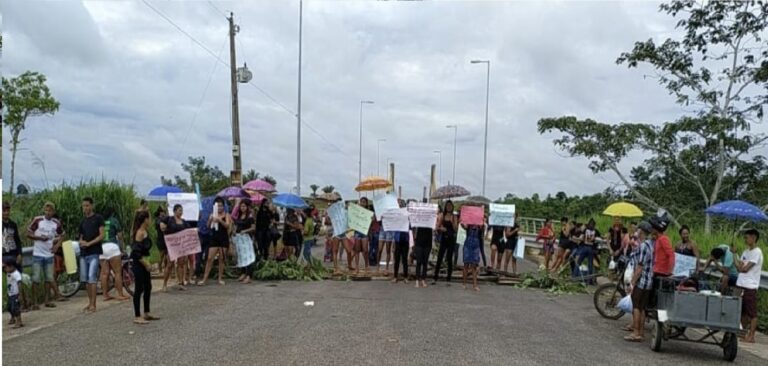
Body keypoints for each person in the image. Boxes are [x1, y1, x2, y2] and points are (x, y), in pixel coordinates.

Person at [27, 202, 65, 309]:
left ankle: (47, 300)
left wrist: (57, 245)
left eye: (50, 211)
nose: (48, 213)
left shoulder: (55, 223)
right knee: (36, 278)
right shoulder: (38, 220)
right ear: (44, 211)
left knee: (48, 278)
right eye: (46, 210)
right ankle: (35, 303)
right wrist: (39, 238)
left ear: (53, 212)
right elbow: (28, 233)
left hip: (49, 254)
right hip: (38, 253)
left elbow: (63, 234)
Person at [624, 221, 654, 342]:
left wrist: (632, 282)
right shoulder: (651, 244)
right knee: (642, 308)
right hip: (649, 281)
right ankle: (640, 332)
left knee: (636, 306)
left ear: (641, 231)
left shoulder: (643, 246)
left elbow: (640, 266)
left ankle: (636, 332)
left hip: (642, 281)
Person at [734, 229, 763, 344]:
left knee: (752, 312)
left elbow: (745, 269)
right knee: (743, 311)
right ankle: (743, 333)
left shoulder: (757, 252)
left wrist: (741, 267)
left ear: (754, 237)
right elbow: (738, 267)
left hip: (750, 285)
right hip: (741, 283)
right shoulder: (746, 252)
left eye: (747, 237)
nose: (746, 240)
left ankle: (751, 336)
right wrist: (734, 253)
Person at [130, 210, 158, 324]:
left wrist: (149, 262)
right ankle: (137, 315)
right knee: (139, 289)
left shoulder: (145, 231)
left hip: (144, 262)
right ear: (145, 219)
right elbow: (136, 252)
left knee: (148, 286)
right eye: (149, 218)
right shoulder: (139, 233)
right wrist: (145, 264)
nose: (150, 220)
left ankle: (146, 312)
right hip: (138, 263)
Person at [78, 197, 104, 314]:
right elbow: (81, 236)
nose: (85, 208)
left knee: (92, 278)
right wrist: (82, 242)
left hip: (94, 251)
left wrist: (89, 243)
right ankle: (89, 302)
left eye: (87, 205)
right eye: (84, 206)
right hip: (84, 253)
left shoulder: (98, 218)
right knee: (86, 279)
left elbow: (101, 235)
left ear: (92, 206)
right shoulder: (83, 221)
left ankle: (94, 304)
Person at [100, 208, 129, 301]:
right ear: (112, 213)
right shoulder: (114, 221)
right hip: (112, 247)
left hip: (102, 247)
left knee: (104, 273)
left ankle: (105, 295)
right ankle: (120, 294)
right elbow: (120, 236)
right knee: (117, 272)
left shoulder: (100, 221)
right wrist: (122, 248)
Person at [201, 198, 232, 286]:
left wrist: (220, 220)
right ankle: (204, 279)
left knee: (221, 259)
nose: (219, 208)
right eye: (218, 206)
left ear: (223, 206)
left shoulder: (226, 215)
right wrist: (211, 219)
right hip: (214, 237)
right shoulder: (212, 214)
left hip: (223, 238)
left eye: (221, 206)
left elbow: (227, 225)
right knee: (210, 258)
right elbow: (208, 226)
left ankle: (220, 278)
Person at [161, 204, 190, 290]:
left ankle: (180, 283)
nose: (181, 212)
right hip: (172, 245)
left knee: (181, 264)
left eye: (182, 210)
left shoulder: (184, 221)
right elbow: (161, 222)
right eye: (179, 210)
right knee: (169, 264)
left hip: (181, 245)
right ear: (175, 211)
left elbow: (189, 231)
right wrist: (162, 226)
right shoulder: (169, 219)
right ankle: (164, 284)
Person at [433, 200, 457, 284]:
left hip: (451, 239)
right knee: (440, 257)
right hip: (443, 238)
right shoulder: (442, 215)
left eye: (450, 206)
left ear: (452, 207)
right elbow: (437, 227)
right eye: (448, 206)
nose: (449, 207)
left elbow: (455, 229)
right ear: (446, 207)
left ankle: (448, 279)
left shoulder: (454, 216)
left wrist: (452, 221)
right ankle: (435, 277)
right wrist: (441, 228)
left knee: (449, 259)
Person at [234, 200, 256, 284]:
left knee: (248, 256)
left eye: (244, 206)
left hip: (246, 238)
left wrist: (245, 231)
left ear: (247, 207)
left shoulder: (250, 217)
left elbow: (253, 228)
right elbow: (236, 225)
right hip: (239, 238)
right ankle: (243, 272)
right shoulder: (239, 216)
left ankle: (249, 275)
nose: (242, 208)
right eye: (241, 206)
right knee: (241, 256)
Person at [462, 221, 483, 292]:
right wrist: (462, 222)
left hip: (476, 245)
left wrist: (481, 224)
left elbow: (482, 230)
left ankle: (475, 285)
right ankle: (464, 283)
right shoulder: (468, 224)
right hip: (467, 244)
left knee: (474, 265)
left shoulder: (480, 224)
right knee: (466, 264)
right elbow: (464, 227)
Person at [413, 223, 434, 289]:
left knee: (425, 262)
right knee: (418, 261)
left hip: (428, 241)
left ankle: (423, 279)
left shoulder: (431, 217)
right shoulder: (420, 217)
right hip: (419, 241)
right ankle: (417, 280)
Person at [4, 258, 23, 328]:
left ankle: (19, 321)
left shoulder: (16, 274)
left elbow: (19, 284)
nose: (4, 269)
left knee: (15, 307)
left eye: (5, 267)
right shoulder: (9, 273)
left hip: (15, 294)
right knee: (9, 307)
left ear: (11, 266)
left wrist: (20, 294)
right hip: (10, 293)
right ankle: (13, 318)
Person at [154, 207, 169, 275]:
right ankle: (160, 268)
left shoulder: (165, 218)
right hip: (160, 239)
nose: (164, 213)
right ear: (160, 212)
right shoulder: (158, 219)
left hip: (166, 239)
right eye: (163, 211)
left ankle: (165, 268)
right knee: (161, 255)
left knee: (166, 255)